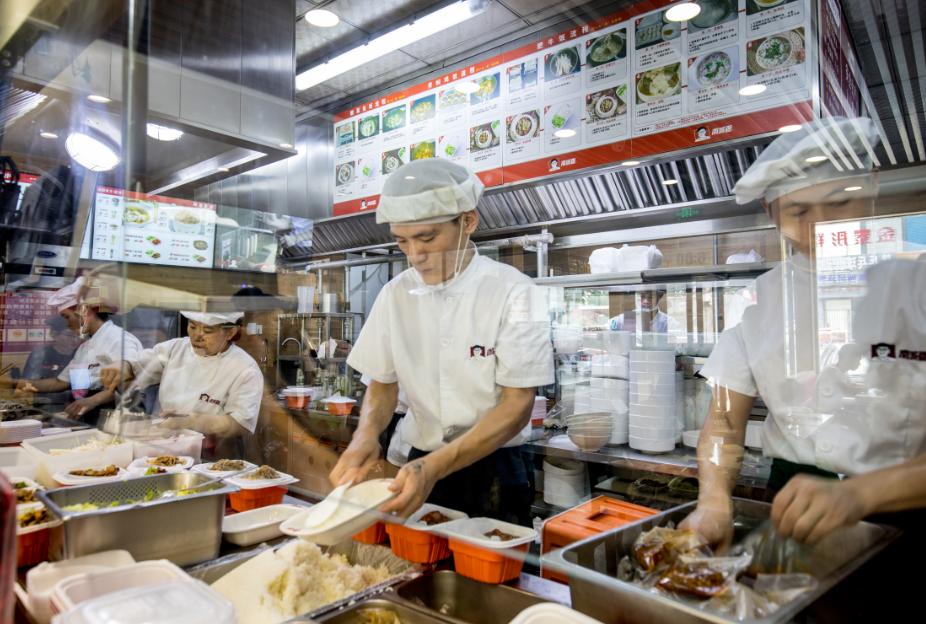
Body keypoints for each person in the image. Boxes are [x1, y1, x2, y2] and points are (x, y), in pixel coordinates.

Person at [681, 118, 926, 554]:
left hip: (907, 513)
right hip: (792, 511)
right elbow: (722, 422)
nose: (821, 224)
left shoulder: (917, 282)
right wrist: (714, 499)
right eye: (799, 212)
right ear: (770, 213)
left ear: (870, 187)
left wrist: (862, 494)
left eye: (839, 203)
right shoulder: (756, 302)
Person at [330, 159, 554, 523]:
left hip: (493, 467)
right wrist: (365, 436)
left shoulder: (514, 292)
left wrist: (436, 466)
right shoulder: (395, 293)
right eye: (402, 241)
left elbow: (517, 405)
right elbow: (382, 384)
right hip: (418, 460)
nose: (415, 255)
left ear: (468, 221)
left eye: (428, 238)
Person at [101, 311, 263, 460]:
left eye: (207, 331)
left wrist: (193, 421)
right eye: (192, 326)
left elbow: (240, 424)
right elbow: (139, 366)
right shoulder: (176, 348)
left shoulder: (244, 368)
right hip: (164, 449)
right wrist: (124, 366)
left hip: (215, 458)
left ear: (231, 332)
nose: (197, 336)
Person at [16, 277, 142, 423]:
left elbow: (128, 382)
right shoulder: (85, 347)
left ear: (84, 312)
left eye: (67, 317)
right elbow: (61, 382)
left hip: (114, 417)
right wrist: (14, 383)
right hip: (88, 416)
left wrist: (91, 401)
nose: (67, 324)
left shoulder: (119, 339)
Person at [608, 288, 679, 334]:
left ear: (659, 298)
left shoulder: (668, 322)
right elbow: (611, 324)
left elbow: (677, 345)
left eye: (650, 297)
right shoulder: (629, 317)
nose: (645, 301)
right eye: (642, 297)